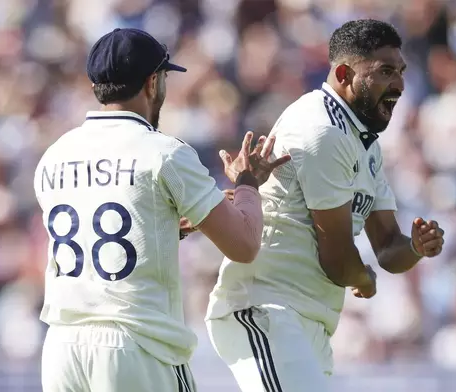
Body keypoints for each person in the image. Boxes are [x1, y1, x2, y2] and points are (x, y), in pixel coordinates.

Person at [33, 28, 290, 392]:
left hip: (62, 347)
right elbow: (244, 246)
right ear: (152, 82)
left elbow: (101, 233)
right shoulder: (164, 153)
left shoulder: (55, 154)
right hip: (137, 344)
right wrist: (248, 183)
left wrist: (173, 227)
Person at [205, 19, 445, 391]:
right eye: (384, 72)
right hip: (266, 308)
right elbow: (338, 262)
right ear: (346, 74)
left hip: (307, 321)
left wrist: (415, 247)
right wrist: (363, 277)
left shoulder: (365, 142)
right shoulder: (323, 129)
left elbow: (387, 248)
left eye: (400, 72)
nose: (398, 85)